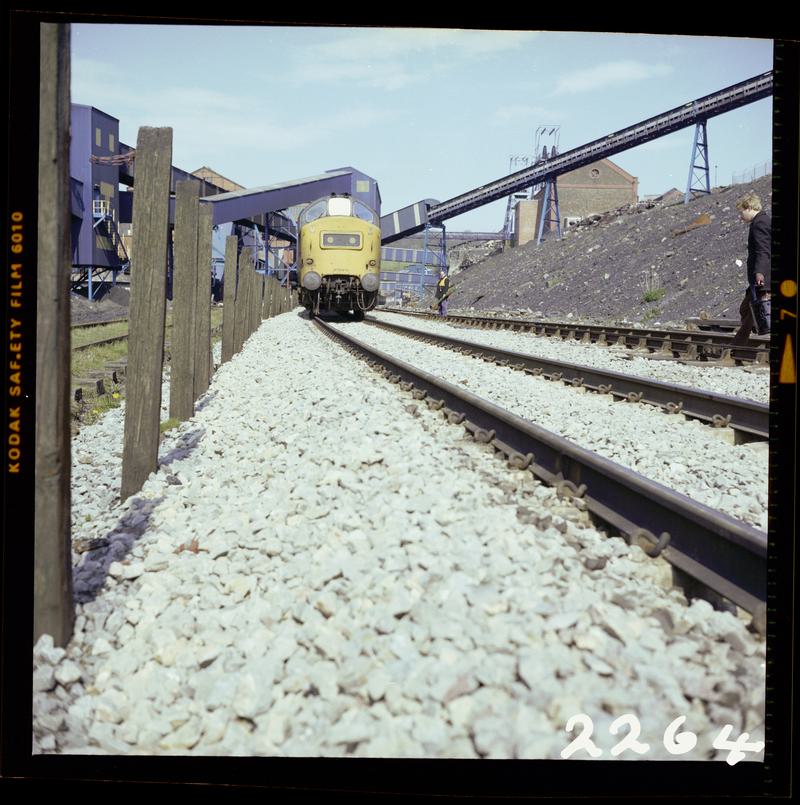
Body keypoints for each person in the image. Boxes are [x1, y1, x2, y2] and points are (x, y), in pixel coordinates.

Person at [732, 193, 771, 345]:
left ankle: (738, 345)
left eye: (741, 212)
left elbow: (763, 250)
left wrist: (760, 273)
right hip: (760, 276)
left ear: (748, 208)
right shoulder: (761, 221)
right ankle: (739, 344)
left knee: (750, 310)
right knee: (747, 310)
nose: (740, 217)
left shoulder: (760, 223)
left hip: (763, 277)